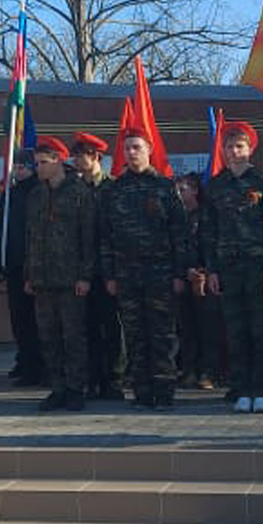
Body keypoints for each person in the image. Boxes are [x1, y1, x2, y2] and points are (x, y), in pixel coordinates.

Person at [99, 133, 191, 408]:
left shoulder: (164, 187)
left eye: (137, 148)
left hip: (160, 274)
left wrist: (178, 273)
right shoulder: (114, 189)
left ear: (149, 151)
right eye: (127, 149)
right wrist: (110, 275)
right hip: (126, 275)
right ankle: (141, 391)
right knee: (135, 335)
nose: (131, 153)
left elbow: (180, 233)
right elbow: (106, 236)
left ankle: (163, 391)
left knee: (161, 334)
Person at [210, 120, 263, 415]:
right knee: (235, 331)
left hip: (259, 268)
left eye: (239, 146)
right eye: (229, 146)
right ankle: (241, 389)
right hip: (228, 269)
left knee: (261, 331)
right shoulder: (216, 185)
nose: (234, 152)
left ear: (250, 149)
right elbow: (209, 230)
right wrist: (212, 269)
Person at [25, 137, 95, 411]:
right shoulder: (36, 194)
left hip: (70, 279)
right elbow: (31, 236)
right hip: (43, 279)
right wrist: (29, 274)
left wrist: (85, 276)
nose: (39, 168)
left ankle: (77, 388)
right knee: (49, 336)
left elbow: (88, 237)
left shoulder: (79, 192)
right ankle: (57, 388)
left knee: (73, 337)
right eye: (37, 163)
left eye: (43, 163)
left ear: (58, 161)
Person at [70, 131, 125, 401]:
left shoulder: (112, 188)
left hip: (107, 269)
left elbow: (116, 231)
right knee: (86, 327)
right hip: (81, 269)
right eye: (76, 156)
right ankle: (91, 378)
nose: (78, 161)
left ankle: (113, 379)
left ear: (97, 157)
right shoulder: (74, 190)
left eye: (83, 156)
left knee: (111, 326)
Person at [0, 149, 45, 386]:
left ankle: (38, 367)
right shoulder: (10, 194)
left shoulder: (39, 191)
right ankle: (24, 360)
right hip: (14, 265)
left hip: (33, 265)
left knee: (36, 321)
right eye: (15, 166)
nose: (18, 169)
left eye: (23, 165)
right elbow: (0, 230)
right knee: (19, 320)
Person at [173, 171, 223, 392]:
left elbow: (211, 245)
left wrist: (204, 272)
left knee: (208, 328)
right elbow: (174, 248)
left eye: (182, 189)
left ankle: (208, 373)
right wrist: (182, 272)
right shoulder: (176, 217)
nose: (178, 194)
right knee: (187, 328)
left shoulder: (206, 215)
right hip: (184, 279)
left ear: (194, 190)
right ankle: (189, 371)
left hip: (204, 279)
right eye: (176, 190)